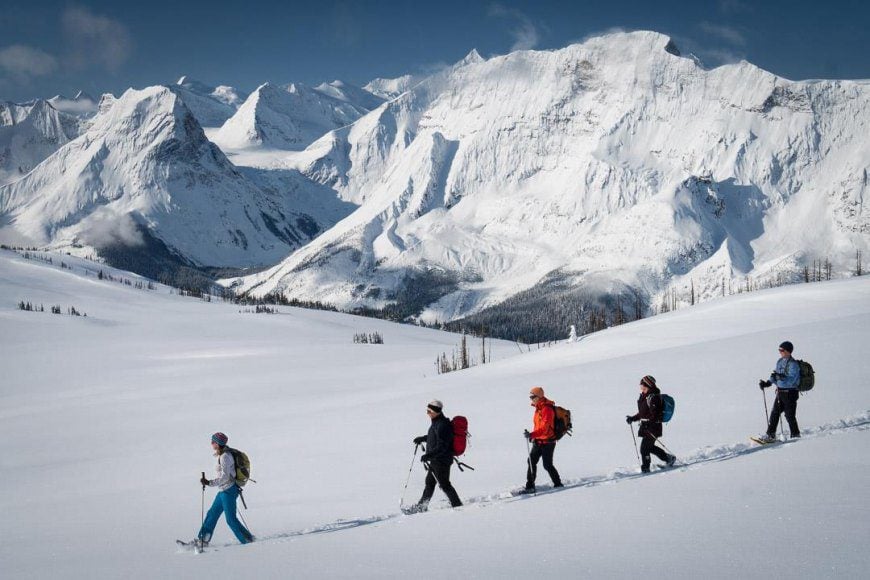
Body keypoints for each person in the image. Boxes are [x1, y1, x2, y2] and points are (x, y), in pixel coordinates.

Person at [196, 432, 254, 546]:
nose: (211, 443)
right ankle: (203, 540)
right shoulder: (222, 455)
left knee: (231, 520)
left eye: (213, 441)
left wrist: (209, 482)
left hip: (229, 490)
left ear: (218, 443)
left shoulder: (225, 457)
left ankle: (247, 541)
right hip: (223, 491)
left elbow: (225, 477)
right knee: (212, 514)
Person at [407, 400, 462, 512]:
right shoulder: (437, 422)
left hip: (441, 460)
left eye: (429, 411)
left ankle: (457, 506)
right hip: (436, 459)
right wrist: (423, 438)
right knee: (430, 483)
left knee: (445, 484)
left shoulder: (442, 425)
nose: (427, 413)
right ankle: (421, 507)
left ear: (436, 411)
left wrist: (429, 455)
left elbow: (443, 445)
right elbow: (435, 437)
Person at [626, 376, 676, 473]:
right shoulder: (645, 396)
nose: (641, 388)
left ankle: (645, 468)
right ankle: (669, 458)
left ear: (648, 386)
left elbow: (656, 415)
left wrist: (647, 424)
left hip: (653, 428)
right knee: (650, 447)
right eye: (641, 386)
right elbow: (642, 413)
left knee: (644, 449)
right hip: (647, 427)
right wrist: (632, 418)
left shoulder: (654, 397)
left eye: (642, 386)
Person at [521, 386, 563, 493]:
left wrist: (532, 435)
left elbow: (545, 428)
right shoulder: (538, 409)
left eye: (533, 396)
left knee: (547, 465)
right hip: (538, 441)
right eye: (530, 397)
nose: (531, 399)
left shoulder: (547, 409)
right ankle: (530, 486)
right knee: (531, 461)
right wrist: (533, 436)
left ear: (539, 396)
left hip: (548, 442)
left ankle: (558, 483)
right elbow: (538, 426)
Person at [757, 341, 801, 441]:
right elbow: (775, 375)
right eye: (779, 350)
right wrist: (768, 383)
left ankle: (795, 435)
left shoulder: (793, 364)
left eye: (782, 350)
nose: (780, 352)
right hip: (781, 392)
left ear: (788, 351)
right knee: (775, 413)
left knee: (789, 415)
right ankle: (770, 435)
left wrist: (781, 378)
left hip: (790, 393)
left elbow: (792, 380)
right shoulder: (780, 361)